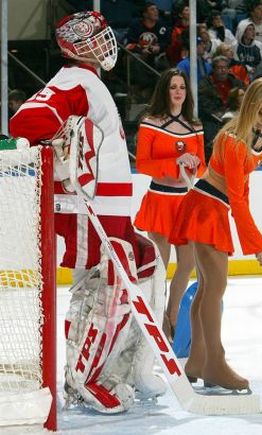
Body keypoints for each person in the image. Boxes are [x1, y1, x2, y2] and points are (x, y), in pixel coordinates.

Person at [9, 10, 167, 413]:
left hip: (110, 207)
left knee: (146, 262)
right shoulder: (74, 81)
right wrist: (66, 135)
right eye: (97, 37)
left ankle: (127, 369)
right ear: (77, 45)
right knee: (110, 285)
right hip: (89, 207)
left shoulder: (89, 83)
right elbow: (25, 121)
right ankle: (83, 378)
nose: (106, 43)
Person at [169, 76, 262, 390]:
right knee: (216, 286)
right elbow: (238, 198)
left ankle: (197, 359)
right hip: (208, 208)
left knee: (208, 288)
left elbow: (241, 190)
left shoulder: (254, 136)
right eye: (261, 113)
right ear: (249, 107)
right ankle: (215, 364)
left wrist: (255, 242)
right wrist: (258, 244)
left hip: (210, 206)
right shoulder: (234, 140)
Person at [134, 68, 206, 341]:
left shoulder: (196, 125)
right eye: (173, 86)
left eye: (182, 87)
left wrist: (193, 163)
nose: (178, 91)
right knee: (160, 267)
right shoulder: (150, 122)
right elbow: (142, 164)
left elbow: (203, 166)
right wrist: (175, 163)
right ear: (165, 90)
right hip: (161, 201)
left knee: (186, 264)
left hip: (186, 203)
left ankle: (173, 314)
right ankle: (158, 320)